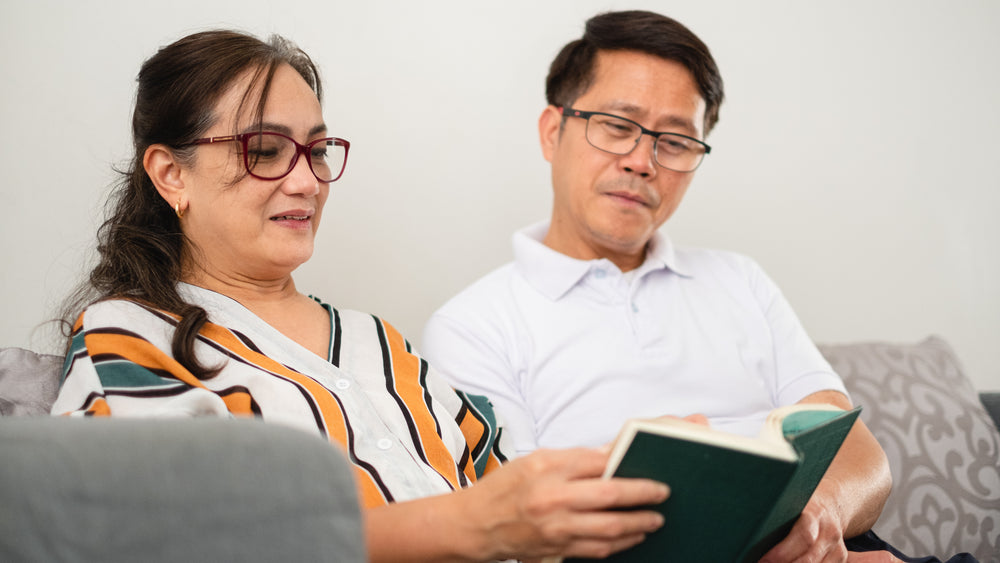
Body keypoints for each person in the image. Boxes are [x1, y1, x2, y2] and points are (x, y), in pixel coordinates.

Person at [50, 29, 673, 563]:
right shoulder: (129, 334)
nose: (306, 181)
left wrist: (648, 474)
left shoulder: (381, 344)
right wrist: (466, 526)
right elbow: (159, 539)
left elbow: (512, 500)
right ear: (170, 174)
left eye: (317, 151)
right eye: (264, 151)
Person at [422, 10, 915, 562]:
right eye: (616, 126)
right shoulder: (471, 326)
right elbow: (523, 522)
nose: (641, 162)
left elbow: (852, 445)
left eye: (676, 142)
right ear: (552, 132)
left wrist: (823, 517)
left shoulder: (740, 279)